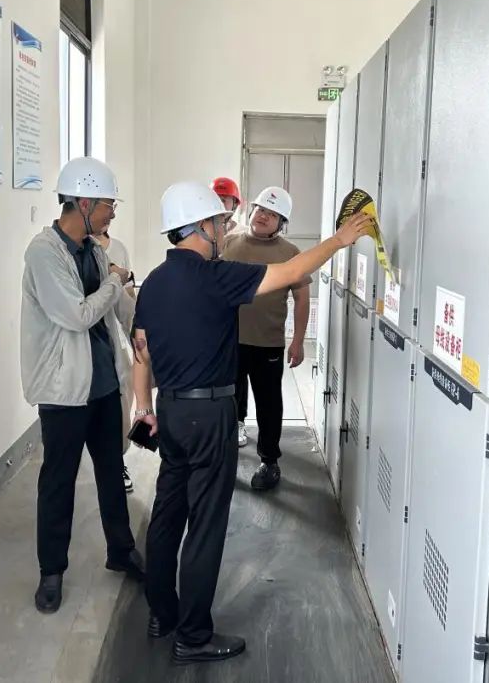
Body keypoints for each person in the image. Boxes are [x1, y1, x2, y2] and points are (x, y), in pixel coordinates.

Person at [130, 181, 371, 664]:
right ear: (201, 226)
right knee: (204, 527)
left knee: (168, 515)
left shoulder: (154, 281)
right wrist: (340, 239)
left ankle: (162, 613)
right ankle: (193, 635)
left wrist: (144, 408)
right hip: (209, 415)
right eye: (219, 222)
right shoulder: (216, 277)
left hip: (170, 411)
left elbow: (141, 351)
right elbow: (292, 271)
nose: (225, 228)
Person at [20, 156, 145, 614]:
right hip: (64, 390)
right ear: (85, 203)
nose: (113, 213)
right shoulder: (43, 253)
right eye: (109, 205)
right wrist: (114, 280)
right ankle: (51, 572)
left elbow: (115, 310)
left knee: (112, 471)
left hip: (103, 384)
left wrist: (139, 324)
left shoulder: (93, 249)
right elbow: (77, 315)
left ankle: (121, 550)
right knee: (59, 482)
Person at [222, 187, 309, 489]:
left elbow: (302, 299)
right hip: (228, 341)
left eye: (271, 214)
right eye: (260, 209)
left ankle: (269, 461)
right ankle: (224, 458)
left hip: (268, 343)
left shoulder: (290, 253)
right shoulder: (228, 242)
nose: (263, 216)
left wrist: (298, 340)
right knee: (227, 402)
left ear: (281, 223)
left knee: (269, 404)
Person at [94, 227, 137, 494]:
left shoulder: (118, 248)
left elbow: (127, 300)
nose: (110, 214)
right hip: (86, 341)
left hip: (114, 342)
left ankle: (117, 462)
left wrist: (137, 338)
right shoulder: (71, 251)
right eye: (107, 207)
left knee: (120, 405)